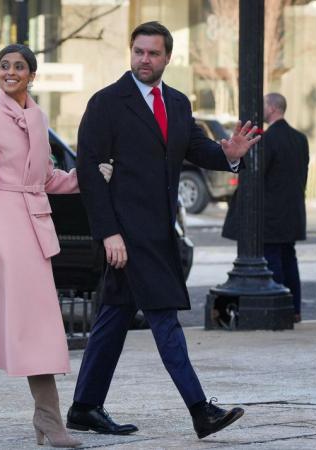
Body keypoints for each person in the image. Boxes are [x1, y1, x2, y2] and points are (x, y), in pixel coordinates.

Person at [68, 21, 260, 440]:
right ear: (131, 52)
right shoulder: (106, 103)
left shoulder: (176, 102)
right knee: (164, 319)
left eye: (153, 53)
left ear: (167, 57)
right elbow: (88, 171)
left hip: (160, 231)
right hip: (127, 235)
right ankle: (200, 410)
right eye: (138, 51)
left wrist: (228, 154)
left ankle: (83, 407)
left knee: (113, 319)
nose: (144, 59)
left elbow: (195, 147)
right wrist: (109, 234)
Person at [0, 44, 111, 448]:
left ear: (32, 74)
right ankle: (49, 421)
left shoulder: (38, 117)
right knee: (28, 327)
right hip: (1, 233)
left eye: (19, 67)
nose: (11, 72)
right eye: (4, 66)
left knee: (14, 328)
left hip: (33, 230)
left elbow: (46, 179)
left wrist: (88, 176)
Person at [223, 93, 309, 323]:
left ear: (271, 108)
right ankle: (294, 308)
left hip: (270, 215)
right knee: (289, 258)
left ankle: (279, 307)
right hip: (293, 212)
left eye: (263, 105)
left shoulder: (268, 140)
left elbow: (256, 177)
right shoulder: (300, 139)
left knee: (273, 261)